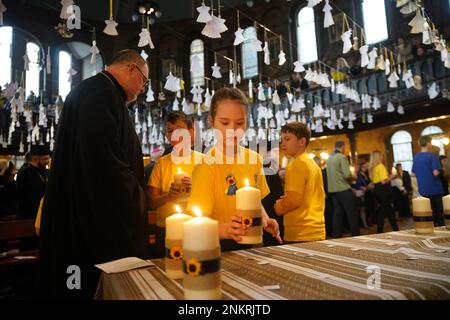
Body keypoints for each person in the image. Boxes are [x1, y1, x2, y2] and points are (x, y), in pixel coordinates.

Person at [38, 49, 150, 299]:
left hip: (79, 216)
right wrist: (138, 198)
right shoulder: (102, 94)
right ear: (132, 69)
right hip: (94, 228)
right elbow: (105, 166)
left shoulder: (95, 91)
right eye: (144, 80)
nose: (144, 88)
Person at [187, 87, 282, 252]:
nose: (233, 130)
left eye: (239, 123)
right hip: (216, 248)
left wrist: (265, 220)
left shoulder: (254, 160)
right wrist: (225, 229)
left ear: (247, 123)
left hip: (250, 244)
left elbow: (255, 201)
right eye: (224, 123)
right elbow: (196, 221)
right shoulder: (206, 166)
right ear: (211, 122)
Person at [148, 111, 201, 258]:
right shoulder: (161, 164)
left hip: (196, 227)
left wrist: (196, 188)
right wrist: (168, 196)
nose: (174, 134)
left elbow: (214, 196)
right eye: (170, 130)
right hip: (166, 229)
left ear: (191, 132)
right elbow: (152, 202)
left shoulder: (203, 162)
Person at [274, 122, 325, 243]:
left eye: (287, 139)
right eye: (282, 140)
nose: (283, 143)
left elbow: (293, 200)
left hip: (300, 230)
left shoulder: (296, 164)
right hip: (315, 228)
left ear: (302, 142)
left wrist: (279, 206)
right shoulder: (312, 164)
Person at [326, 141, 359, 238]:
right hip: (343, 188)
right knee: (351, 213)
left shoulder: (329, 159)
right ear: (343, 146)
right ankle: (356, 235)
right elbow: (347, 174)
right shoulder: (342, 157)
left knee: (337, 214)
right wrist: (354, 177)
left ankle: (337, 236)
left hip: (333, 190)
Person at [412, 136, 445, 226]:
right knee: (439, 213)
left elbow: (413, 174)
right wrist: (442, 169)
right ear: (429, 144)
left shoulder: (416, 157)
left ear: (419, 144)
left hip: (423, 190)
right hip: (435, 189)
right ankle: (442, 235)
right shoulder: (432, 155)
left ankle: (430, 234)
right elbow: (435, 173)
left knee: (428, 214)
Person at [368, 151, 399, 233]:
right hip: (383, 190)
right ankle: (381, 230)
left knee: (387, 211)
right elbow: (383, 181)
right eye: (381, 156)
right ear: (378, 157)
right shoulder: (380, 166)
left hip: (377, 190)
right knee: (384, 211)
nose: (383, 157)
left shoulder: (373, 167)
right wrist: (392, 176)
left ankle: (394, 229)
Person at [262, 147, 284, 246]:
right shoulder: (269, 171)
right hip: (272, 207)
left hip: (270, 206)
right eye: (275, 152)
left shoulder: (268, 169)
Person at [353, 161, 374, 228]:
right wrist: (366, 187)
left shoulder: (366, 174)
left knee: (368, 209)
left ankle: (367, 223)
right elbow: (358, 185)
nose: (365, 168)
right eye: (364, 167)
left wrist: (370, 185)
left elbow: (370, 182)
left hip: (368, 193)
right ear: (361, 167)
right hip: (362, 194)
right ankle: (364, 224)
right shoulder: (358, 175)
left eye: (366, 166)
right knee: (362, 209)